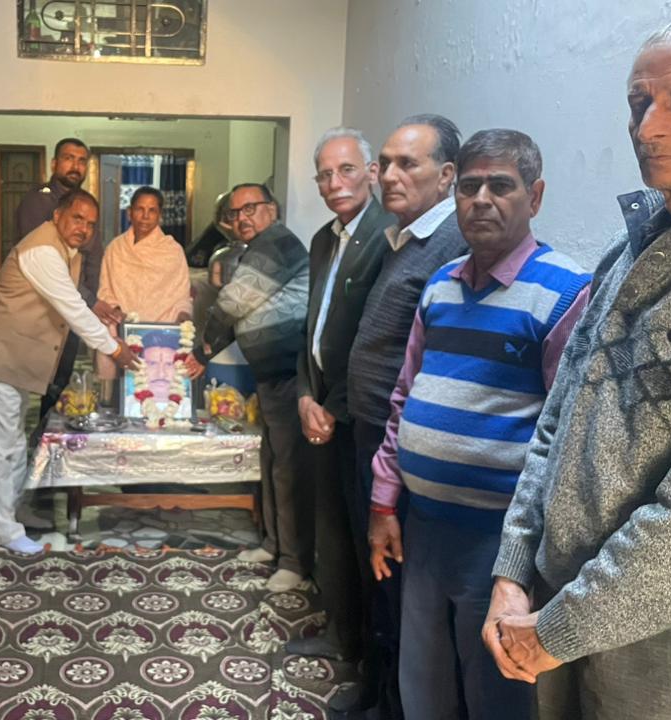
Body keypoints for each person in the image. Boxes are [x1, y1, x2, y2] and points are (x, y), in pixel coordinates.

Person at [485, 19, 671, 720]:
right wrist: (514, 569)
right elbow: (558, 422)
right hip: (555, 609)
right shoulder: (632, 249)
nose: (648, 126)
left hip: (667, 645)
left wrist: (560, 628)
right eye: (638, 103)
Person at [369, 129, 590, 719]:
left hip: (500, 544)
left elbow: (569, 436)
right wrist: (384, 501)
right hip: (424, 528)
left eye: (501, 186)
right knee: (423, 684)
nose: (481, 200)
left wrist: (524, 556)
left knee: (496, 693)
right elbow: (404, 396)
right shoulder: (440, 285)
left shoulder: (565, 293)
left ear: (534, 197)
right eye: (469, 187)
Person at [342, 114, 469, 717]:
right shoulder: (404, 238)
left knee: (397, 583)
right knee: (378, 577)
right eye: (386, 163)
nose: (389, 175)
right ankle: (377, 690)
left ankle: (392, 706)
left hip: (401, 448)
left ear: (446, 176)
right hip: (369, 432)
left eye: (407, 164)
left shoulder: (453, 244)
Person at [286, 126, 395, 714]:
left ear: (371, 173)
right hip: (321, 405)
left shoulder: (387, 237)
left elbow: (376, 344)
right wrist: (306, 394)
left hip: (358, 415)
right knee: (329, 523)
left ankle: (362, 653)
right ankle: (339, 630)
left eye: (346, 170)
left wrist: (334, 407)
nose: (335, 183)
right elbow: (314, 326)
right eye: (325, 174)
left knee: (360, 537)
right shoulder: (323, 240)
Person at [0, 189, 139, 553]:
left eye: (91, 224)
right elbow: (72, 308)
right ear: (57, 216)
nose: (84, 229)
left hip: (18, 363)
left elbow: (74, 302)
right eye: (77, 218)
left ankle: (9, 515)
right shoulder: (43, 250)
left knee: (13, 443)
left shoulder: (66, 251)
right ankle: (2, 530)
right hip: (1, 358)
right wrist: (114, 348)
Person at [185, 183, 310, 593]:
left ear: (271, 209)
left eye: (250, 208)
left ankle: (293, 561)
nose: (242, 218)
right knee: (272, 461)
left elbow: (231, 304)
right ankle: (274, 545)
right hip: (271, 375)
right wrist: (207, 349)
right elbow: (241, 311)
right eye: (235, 213)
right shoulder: (259, 247)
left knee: (288, 468)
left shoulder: (276, 243)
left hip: (290, 374)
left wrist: (201, 351)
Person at [13, 137, 111, 529]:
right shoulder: (39, 202)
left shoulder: (85, 204)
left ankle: (48, 478)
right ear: (54, 162)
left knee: (56, 397)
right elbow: (52, 268)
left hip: (71, 318)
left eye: (82, 160)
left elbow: (91, 258)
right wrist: (89, 303)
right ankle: (32, 488)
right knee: (33, 404)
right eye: (69, 158)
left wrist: (93, 300)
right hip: (41, 320)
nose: (75, 165)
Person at [95, 185, 192, 382]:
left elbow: (182, 294)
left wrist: (183, 314)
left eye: (152, 210)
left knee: (157, 383)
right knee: (117, 384)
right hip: (122, 325)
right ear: (129, 212)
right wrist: (117, 311)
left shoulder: (173, 251)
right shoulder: (115, 248)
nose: (145, 216)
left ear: (160, 215)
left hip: (162, 328)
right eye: (140, 209)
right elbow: (105, 290)